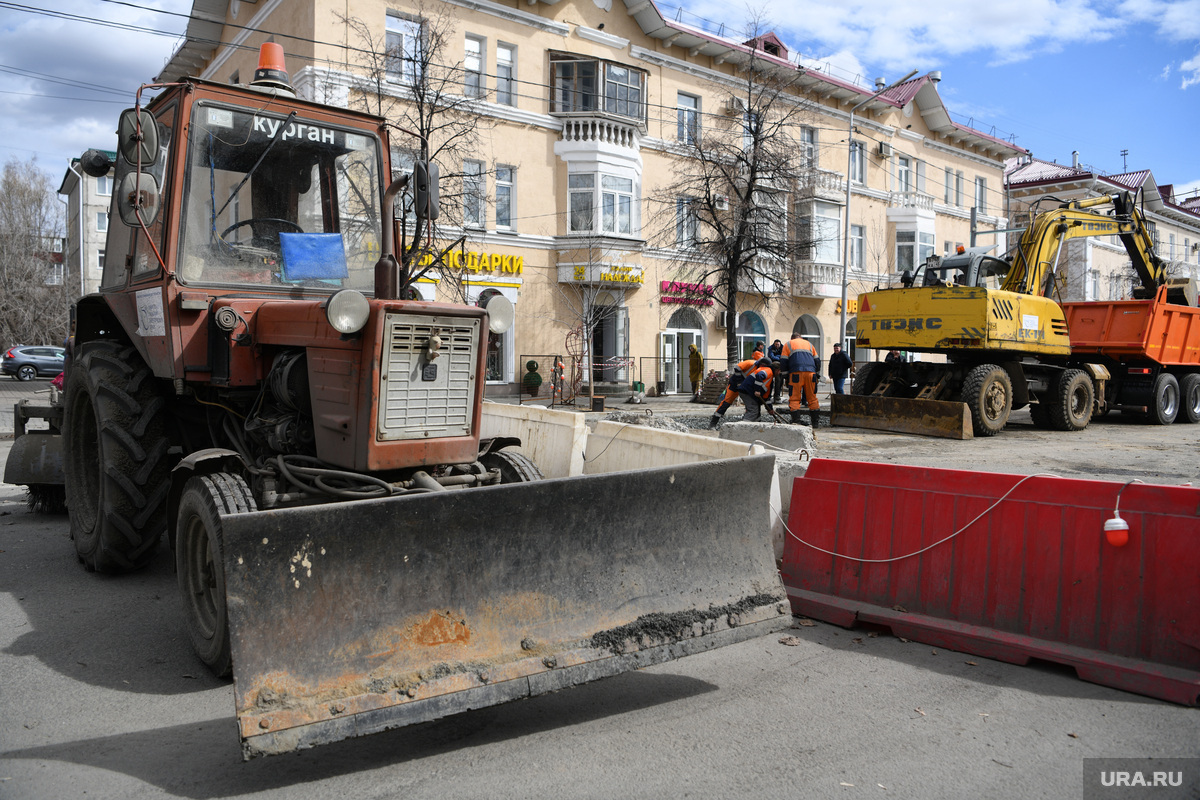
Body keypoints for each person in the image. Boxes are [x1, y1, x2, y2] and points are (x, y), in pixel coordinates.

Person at [781, 333, 820, 432]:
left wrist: (785, 376)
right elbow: (817, 361)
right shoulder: (809, 344)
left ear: (792, 338)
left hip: (795, 373)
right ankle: (815, 422)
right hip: (811, 373)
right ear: (801, 338)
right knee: (812, 398)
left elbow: (784, 361)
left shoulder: (788, 344)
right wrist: (817, 374)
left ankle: (796, 420)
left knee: (794, 398)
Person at [709, 356, 759, 428]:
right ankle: (713, 422)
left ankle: (749, 422)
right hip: (734, 385)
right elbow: (737, 368)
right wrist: (739, 382)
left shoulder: (760, 370)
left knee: (751, 405)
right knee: (726, 402)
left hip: (745, 388)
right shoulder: (751, 363)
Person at [737, 358, 780, 423]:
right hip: (747, 391)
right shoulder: (768, 370)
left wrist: (770, 409)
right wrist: (757, 390)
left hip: (748, 391)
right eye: (779, 371)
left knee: (756, 411)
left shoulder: (770, 379)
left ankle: (756, 427)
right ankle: (743, 427)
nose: (779, 373)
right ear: (776, 370)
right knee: (753, 411)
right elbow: (759, 375)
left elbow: (766, 397)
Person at [767, 339, 784, 403]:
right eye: (776, 344)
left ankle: (777, 395)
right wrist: (779, 358)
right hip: (774, 366)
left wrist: (777, 357)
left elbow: (784, 356)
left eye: (778, 344)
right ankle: (773, 396)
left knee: (780, 381)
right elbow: (771, 357)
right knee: (776, 381)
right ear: (774, 344)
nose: (777, 346)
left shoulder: (783, 348)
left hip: (781, 366)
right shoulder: (771, 348)